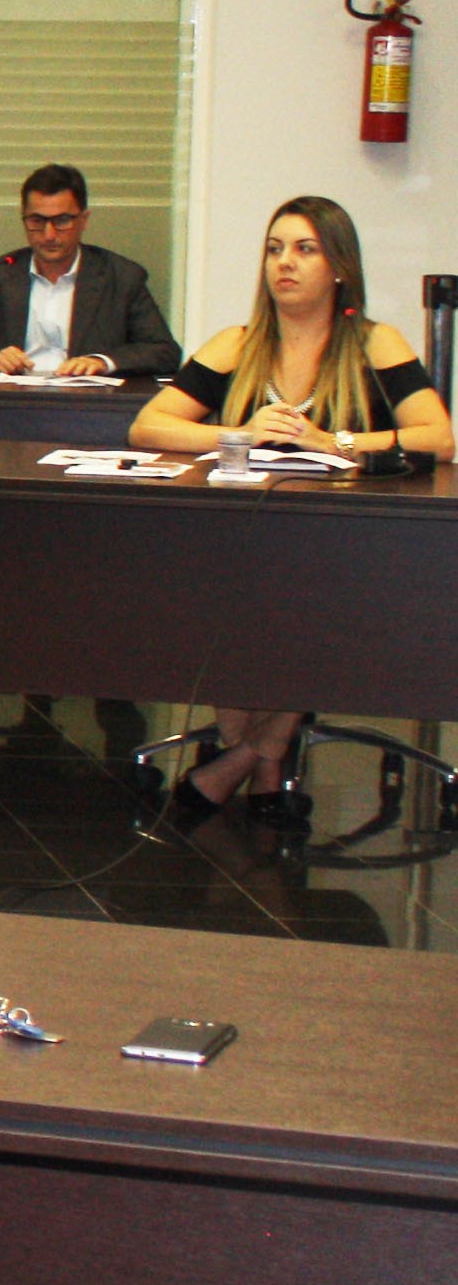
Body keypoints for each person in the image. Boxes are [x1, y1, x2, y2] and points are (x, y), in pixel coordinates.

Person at [128, 197, 451, 824]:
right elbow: (148, 427)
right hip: (248, 537)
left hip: (345, 547)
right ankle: (264, 758)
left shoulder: (374, 345)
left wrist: (336, 442)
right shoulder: (237, 345)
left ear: (339, 267)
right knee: (221, 592)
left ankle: (245, 756)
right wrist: (240, 433)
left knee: (308, 604)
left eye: (304, 250)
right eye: (275, 249)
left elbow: (437, 438)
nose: (285, 263)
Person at [0, 165, 181, 380]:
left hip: (88, 406)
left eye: (62, 221)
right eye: (37, 221)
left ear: (83, 220)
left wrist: (102, 362)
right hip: (11, 403)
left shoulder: (121, 277)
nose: (49, 235)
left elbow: (164, 351)